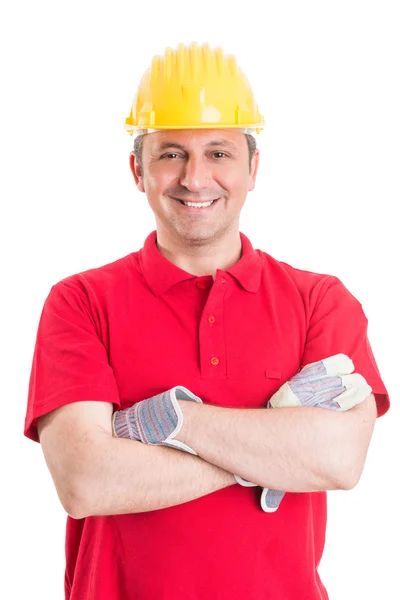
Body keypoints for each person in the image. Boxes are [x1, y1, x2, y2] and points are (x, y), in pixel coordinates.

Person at [24, 42, 390, 600]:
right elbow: (86, 481)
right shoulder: (80, 302)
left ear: (253, 168)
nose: (195, 179)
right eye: (171, 153)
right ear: (137, 170)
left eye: (218, 153)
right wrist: (275, 452)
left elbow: (339, 459)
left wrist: (174, 422)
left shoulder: (320, 300)